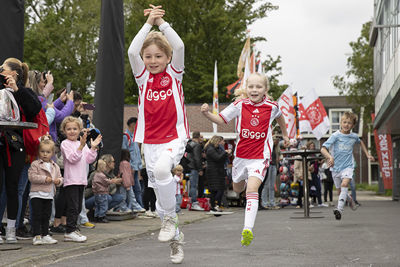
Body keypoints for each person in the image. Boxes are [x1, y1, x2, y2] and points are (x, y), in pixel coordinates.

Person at [128, 4, 188, 264]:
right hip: (149, 142)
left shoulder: (174, 75)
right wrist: (147, 24)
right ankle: (175, 240)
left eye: (158, 56)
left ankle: (171, 221)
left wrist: (160, 23)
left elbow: (181, 47)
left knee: (164, 171)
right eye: (148, 57)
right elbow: (132, 50)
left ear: (167, 58)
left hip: (174, 137)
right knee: (162, 197)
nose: (153, 61)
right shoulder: (143, 79)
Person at [201, 72, 289, 246]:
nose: (254, 90)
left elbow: (280, 117)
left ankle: (247, 229)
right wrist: (207, 114)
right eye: (251, 87)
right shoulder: (240, 104)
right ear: (246, 88)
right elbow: (220, 119)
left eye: (259, 87)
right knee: (238, 187)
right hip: (241, 156)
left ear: (265, 89)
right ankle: (241, 183)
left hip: (260, 157)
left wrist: (285, 135)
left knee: (252, 189)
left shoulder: (272, 106)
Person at [0, 58, 42, 244]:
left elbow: (34, 109)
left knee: (13, 187)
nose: (0, 71)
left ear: (14, 73)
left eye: (3, 69)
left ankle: (11, 229)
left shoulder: (24, 92)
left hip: (15, 144)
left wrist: (17, 89)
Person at [321, 112, 374, 220]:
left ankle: (339, 209)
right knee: (340, 191)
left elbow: (361, 142)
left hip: (348, 166)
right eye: (344, 122)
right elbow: (323, 148)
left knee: (345, 184)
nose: (346, 125)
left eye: (349, 123)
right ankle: (349, 199)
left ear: (353, 125)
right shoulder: (335, 136)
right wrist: (329, 157)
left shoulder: (353, 136)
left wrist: (368, 155)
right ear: (341, 123)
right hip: (335, 167)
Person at [60, 116, 102, 242]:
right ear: (64, 131)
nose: (72, 131)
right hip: (71, 180)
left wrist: (93, 147)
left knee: (78, 207)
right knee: (73, 207)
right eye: (69, 129)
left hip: (81, 180)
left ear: (79, 130)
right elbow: (72, 158)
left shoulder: (80, 143)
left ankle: (73, 228)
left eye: (74, 128)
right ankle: (70, 231)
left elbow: (89, 159)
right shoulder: (65, 144)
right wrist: (81, 146)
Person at [28, 139, 63, 245]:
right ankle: (37, 235)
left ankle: (45, 234)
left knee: (46, 215)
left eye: (48, 152)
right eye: (42, 151)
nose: (45, 154)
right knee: (37, 214)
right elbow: (31, 177)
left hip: (49, 194)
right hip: (37, 193)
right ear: (39, 152)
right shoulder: (35, 164)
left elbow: (61, 178)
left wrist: (58, 181)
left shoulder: (55, 166)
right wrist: (44, 179)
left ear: (52, 153)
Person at [92, 158, 124, 223]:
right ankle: (102, 217)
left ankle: (96, 216)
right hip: (102, 193)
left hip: (96, 194)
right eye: (104, 167)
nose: (105, 168)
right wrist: (114, 181)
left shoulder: (96, 174)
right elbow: (106, 182)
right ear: (101, 167)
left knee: (97, 206)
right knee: (103, 206)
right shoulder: (102, 175)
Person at [122, 117, 143, 208]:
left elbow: (136, 153)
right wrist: (130, 166)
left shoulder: (134, 137)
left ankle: (138, 207)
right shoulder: (125, 136)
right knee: (133, 189)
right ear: (132, 125)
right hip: (130, 167)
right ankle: (137, 207)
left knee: (136, 189)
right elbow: (125, 152)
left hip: (135, 167)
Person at [204, 136, 230, 212]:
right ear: (217, 141)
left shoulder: (216, 148)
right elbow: (217, 158)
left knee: (220, 188)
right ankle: (214, 205)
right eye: (222, 141)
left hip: (218, 171)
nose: (224, 142)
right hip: (213, 172)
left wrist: (226, 154)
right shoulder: (210, 149)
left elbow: (221, 157)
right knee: (215, 190)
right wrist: (225, 153)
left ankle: (216, 205)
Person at [186, 131, 205, 211]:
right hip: (194, 167)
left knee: (190, 186)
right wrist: (200, 169)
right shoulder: (197, 145)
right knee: (194, 185)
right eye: (201, 137)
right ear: (198, 137)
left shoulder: (189, 144)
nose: (203, 139)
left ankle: (190, 202)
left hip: (188, 166)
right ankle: (194, 203)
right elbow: (197, 158)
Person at [261, 135, 280, 210]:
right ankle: (264, 202)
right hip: (268, 165)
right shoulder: (268, 146)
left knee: (272, 185)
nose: (276, 142)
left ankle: (272, 202)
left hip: (274, 165)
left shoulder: (276, 148)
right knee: (266, 184)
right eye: (276, 140)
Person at [307, 141, 328, 207]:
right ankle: (310, 202)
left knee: (318, 188)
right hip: (310, 174)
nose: (313, 147)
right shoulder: (308, 154)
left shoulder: (314, 155)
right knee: (310, 189)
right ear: (308, 147)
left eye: (313, 146)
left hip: (316, 173)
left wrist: (320, 162)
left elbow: (316, 164)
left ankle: (320, 202)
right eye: (311, 146)